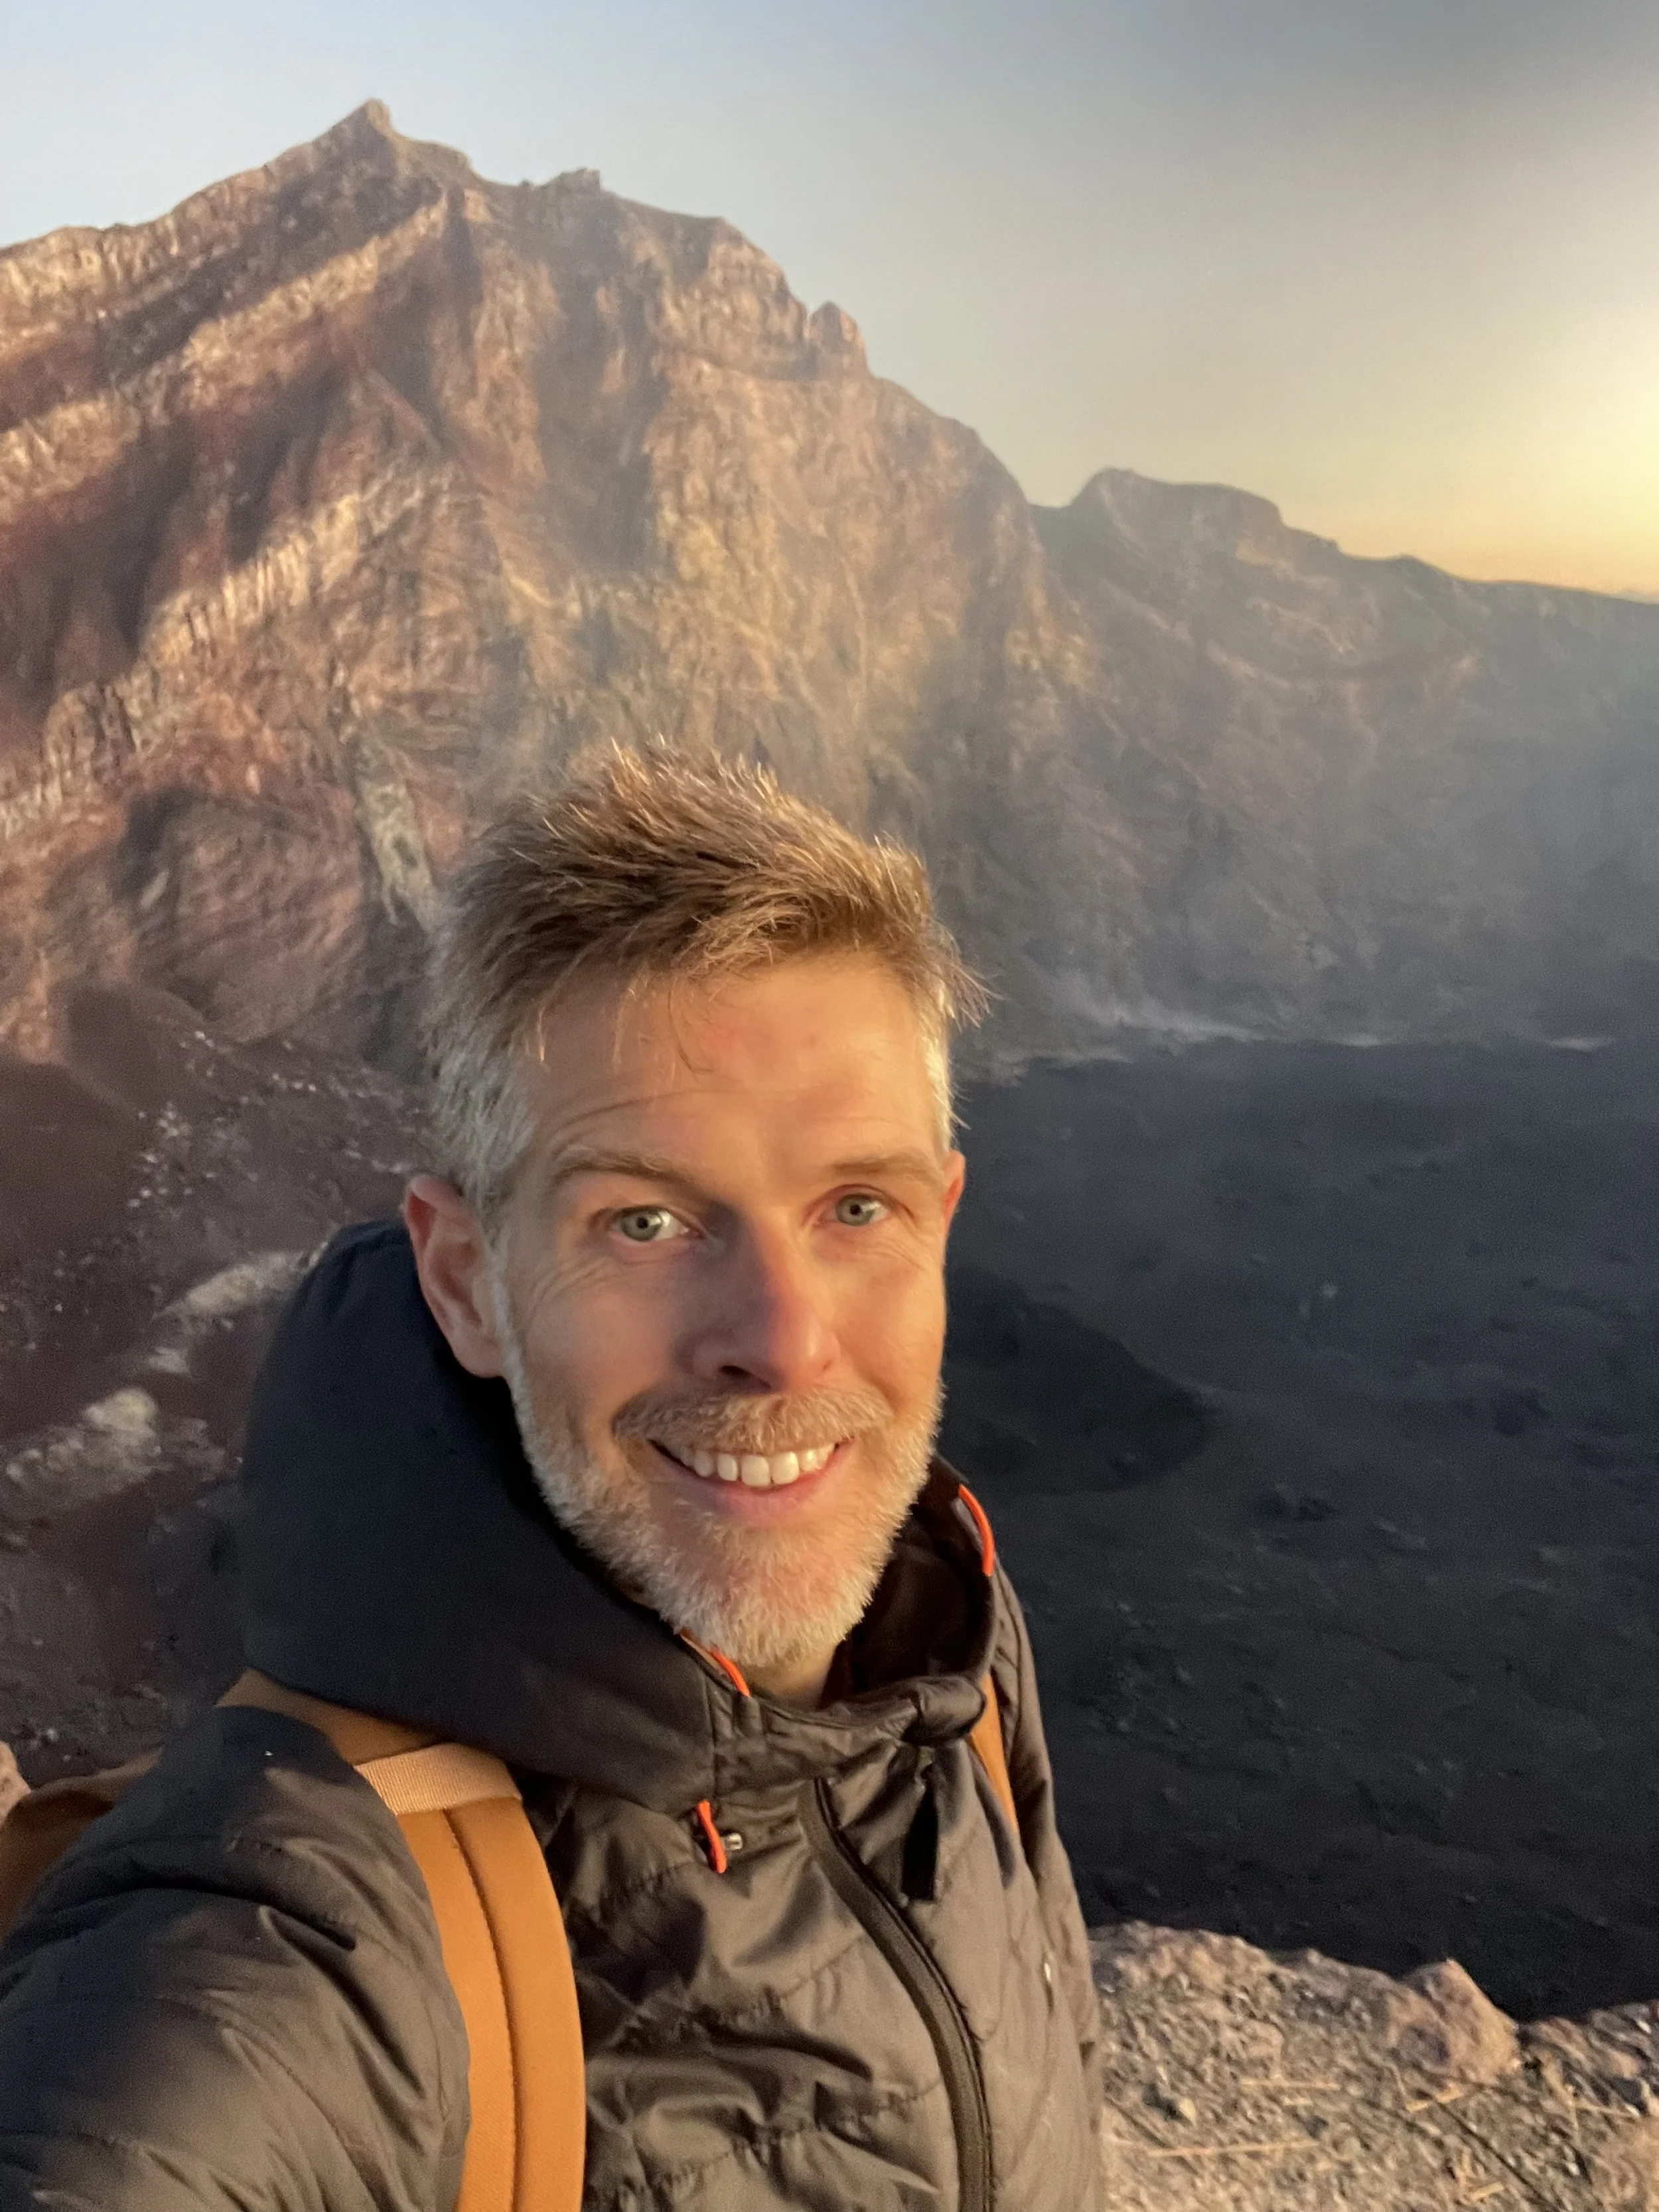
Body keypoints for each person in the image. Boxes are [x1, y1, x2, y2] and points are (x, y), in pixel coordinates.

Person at [0, 749, 1103, 2210]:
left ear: (941, 1216)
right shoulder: (299, 1935)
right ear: (464, 1278)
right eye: (643, 1219)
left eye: (854, 1205)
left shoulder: (948, 1648)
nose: (778, 1340)